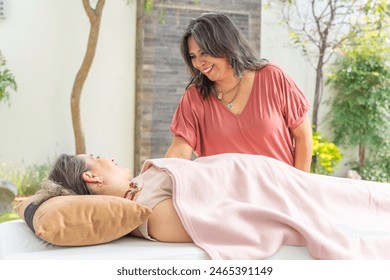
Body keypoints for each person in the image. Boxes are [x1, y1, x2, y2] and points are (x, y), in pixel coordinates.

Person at [39, 153, 390, 260]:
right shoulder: (146, 214)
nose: (111, 157)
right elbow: (218, 216)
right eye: (101, 159)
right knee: (365, 205)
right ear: (93, 179)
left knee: (368, 196)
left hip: (280, 178)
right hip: (278, 192)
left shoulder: (140, 187)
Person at [165, 12, 313, 172]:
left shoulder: (272, 77)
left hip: (279, 190)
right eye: (193, 56)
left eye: (204, 52)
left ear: (225, 44)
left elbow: (303, 136)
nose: (199, 63)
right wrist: (154, 179)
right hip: (225, 195)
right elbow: (179, 151)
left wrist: (299, 186)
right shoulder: (194, 98)